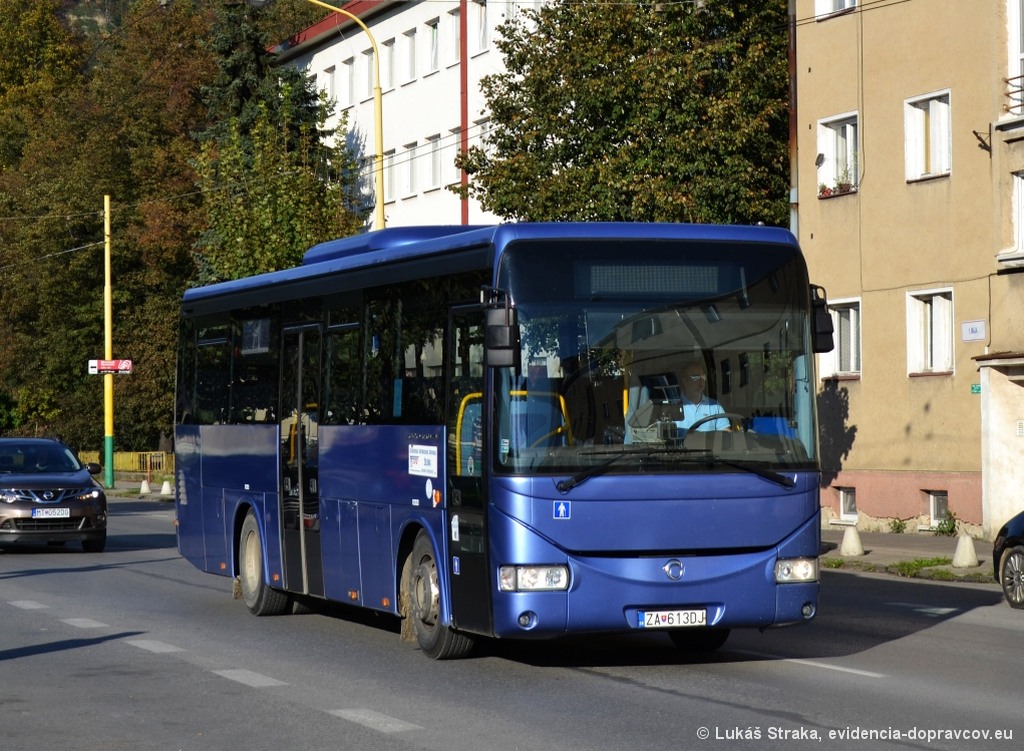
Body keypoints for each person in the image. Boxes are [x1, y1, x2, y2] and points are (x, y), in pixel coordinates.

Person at [678, 362, 730, 432]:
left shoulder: (714, 405)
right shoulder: (673, 406)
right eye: (695, 377)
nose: (701, 381)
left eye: (703, 376)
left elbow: (725, 434)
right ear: (685, 381)